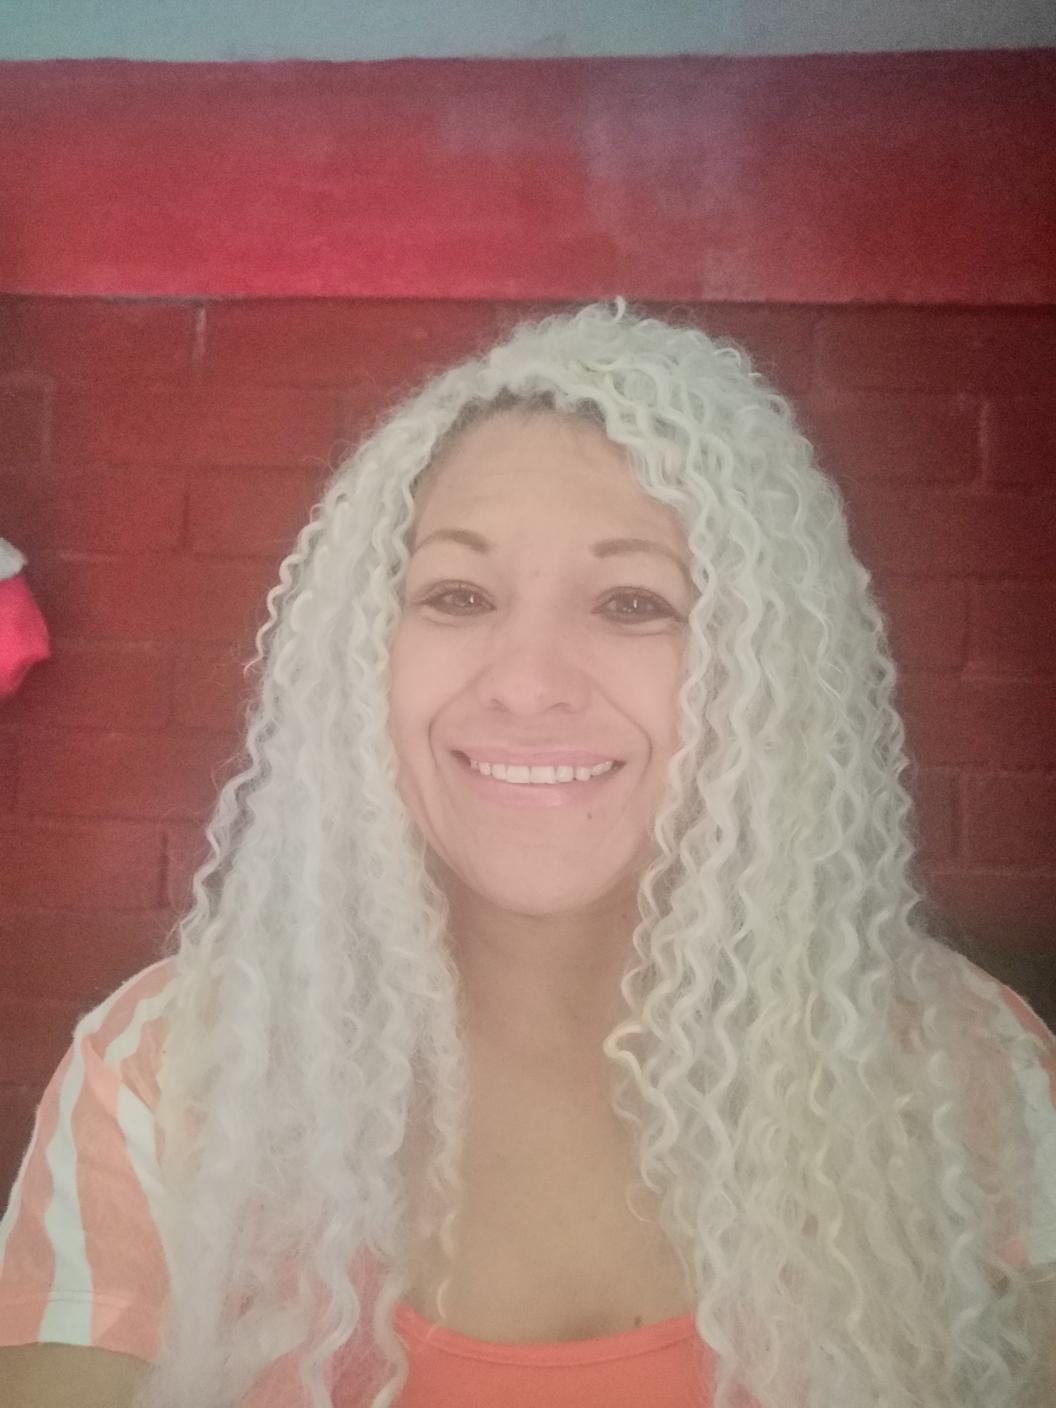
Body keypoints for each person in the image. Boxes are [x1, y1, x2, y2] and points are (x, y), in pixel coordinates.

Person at [0, 299, 1053, 1408]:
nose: (526, 681)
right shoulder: (168, 1074)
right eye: (458, 595)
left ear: (766, 674)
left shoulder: (966, 1073)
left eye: (634, 602)